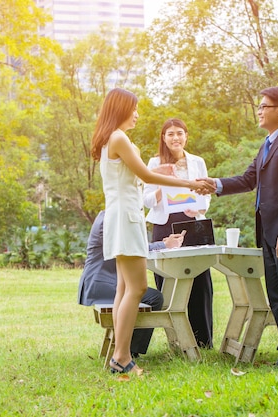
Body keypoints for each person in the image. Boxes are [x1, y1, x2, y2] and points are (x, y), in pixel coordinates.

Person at [90, 87, 210, 375]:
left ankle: (119, 356)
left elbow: (138, 176)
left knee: (124, 287)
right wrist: (190, 184)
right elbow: (145, 174)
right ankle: (122, 358)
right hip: (127, 219)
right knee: (138, 287)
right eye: (134, 108)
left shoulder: (110, 139)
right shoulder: (119, 137)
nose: (137, 114)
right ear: (121, 109)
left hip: (120, 217)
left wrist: (164, 175)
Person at [199, 86, 278, 371]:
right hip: (267, 232)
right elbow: (249, 179)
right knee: (276, 296)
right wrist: (215, 184)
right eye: (259, 106)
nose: (259, 111)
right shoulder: (266, 145)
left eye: (264, 106)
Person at [143, 118, 214, 348]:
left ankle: (203, 340)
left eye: (179, 133)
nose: (175, 138)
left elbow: (207, 192)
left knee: (200, 280)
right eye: (170, 134)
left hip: (193, 222)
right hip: (164, 225)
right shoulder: (154, 162)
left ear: (186, 136)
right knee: (168, 280)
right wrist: (161, 189)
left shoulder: (197, 162)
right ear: (163, 138)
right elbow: (145, 198)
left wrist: (201, 207)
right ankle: (177, 340)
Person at [77, 210, 185, 357]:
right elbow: (129, 248)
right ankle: (131, 351)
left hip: (106, 281)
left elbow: (131, 245)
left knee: (149, 295)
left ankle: (129, 349)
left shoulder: (110, 215)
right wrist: (164, 245)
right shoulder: (109, 219)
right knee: (154, 298)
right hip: (100, 283)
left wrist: (164, 244)